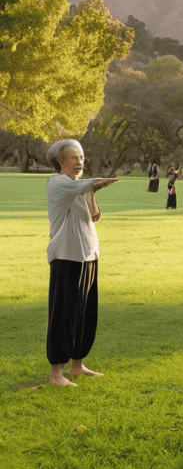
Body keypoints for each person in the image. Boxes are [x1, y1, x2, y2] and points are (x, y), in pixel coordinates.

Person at [44, 139, 119, 386]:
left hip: (88, 254)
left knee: (85, 312)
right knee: (63, 313)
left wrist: (93, 193)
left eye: (82, 158)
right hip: (66, 256)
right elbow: (83, 186)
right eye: (74, 158)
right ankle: (56, 372)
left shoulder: (79, 187)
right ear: (60, 160)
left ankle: (77, 365)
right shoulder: (57, 183)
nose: (80, 162)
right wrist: (94, 184)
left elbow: (94, 216)